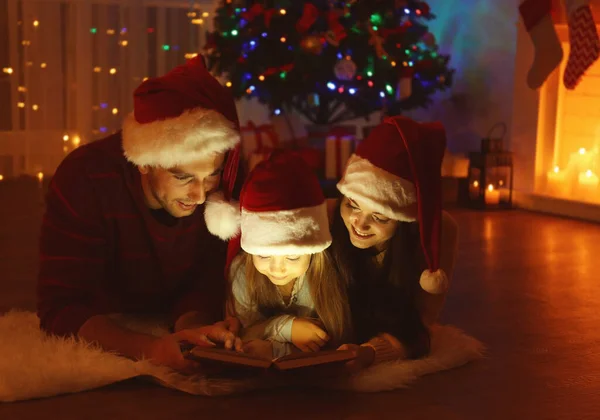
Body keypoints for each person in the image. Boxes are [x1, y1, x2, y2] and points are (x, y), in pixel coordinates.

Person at [37, 56, 244, 372]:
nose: (201, 195)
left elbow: (202, 282)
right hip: (107, 330)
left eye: (211, 175)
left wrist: (196, 333)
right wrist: (151, 349)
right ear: (144, 161)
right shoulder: (85, 179)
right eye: (183, 177)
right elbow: (60, 307)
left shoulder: (218, 196)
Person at [329, 116, 459, 370]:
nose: (359, 223)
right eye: (351, 205)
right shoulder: (326, 218)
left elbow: (421, 326)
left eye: (378, 216)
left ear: (403, 221)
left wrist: (371, 352)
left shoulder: (431, 239)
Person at [209, 150, 352, 359]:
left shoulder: (328, 272)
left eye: (292, 257)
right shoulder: (242, 272)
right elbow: (244, 335)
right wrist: (285, 328)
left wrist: (277, 347)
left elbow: (333, 341)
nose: (277, 268)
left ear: (314, 251)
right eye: (264, 256)